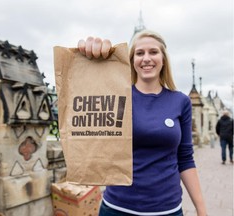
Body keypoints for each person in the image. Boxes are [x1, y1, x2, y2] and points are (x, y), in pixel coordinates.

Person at [77, 30, 207, 216]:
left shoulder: (180, 101)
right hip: (117, 208)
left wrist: (201, 209)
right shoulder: (116, 98)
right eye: (139, 53)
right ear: (132, 61)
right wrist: (90, 58)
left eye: (153, 52)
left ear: (163, 59)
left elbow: (185, 158)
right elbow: (86, 99)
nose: (146, 58)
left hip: (167, 210)